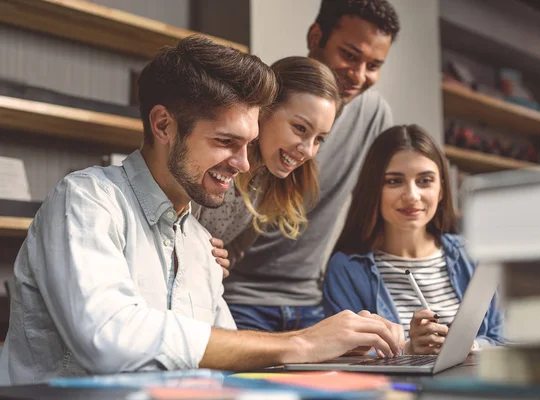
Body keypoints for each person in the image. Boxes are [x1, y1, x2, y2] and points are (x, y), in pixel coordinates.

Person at [0, 36, 405, 385]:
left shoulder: (198, 243)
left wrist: (338, 357)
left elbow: (228, 362)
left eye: (248, 144)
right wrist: (301, 342)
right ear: (163, 126)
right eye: (226, 141)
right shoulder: (86, 201)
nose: (245, 164)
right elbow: (109, 339)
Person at [223, 0, 400, 332]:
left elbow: (373, 213)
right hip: (240, 298)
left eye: (374, 65)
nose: (359, 76)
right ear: (316, 36)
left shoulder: (374, 116)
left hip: (312, 300)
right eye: (349, 55)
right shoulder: (260, 107)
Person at [322, 125, 504, 355]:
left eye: (425, 180)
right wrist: (408, 350)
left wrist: (470, 347)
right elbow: (340, 354)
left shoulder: (474, 255)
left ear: (441, 190)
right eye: (394, 181)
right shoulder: (347, 269)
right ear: (373, 190)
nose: (411, 196)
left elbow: (504, 338)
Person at [196, 56, 342, 273]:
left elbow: (234, 251)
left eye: (319, 138)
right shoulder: (214, 158)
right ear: (265, 108)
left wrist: (222, 262)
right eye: (300, 128)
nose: (307, 150)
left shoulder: (270, 182)